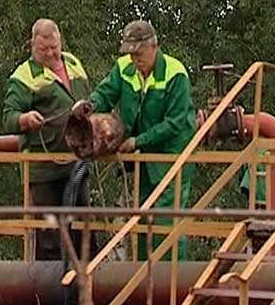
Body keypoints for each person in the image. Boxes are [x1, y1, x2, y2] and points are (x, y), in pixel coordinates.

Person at [74, 20, 196, 260]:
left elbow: (176, 122)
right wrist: (89, 106)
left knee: (165, 221)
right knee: (141, 220)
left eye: (138, 53)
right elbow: (105, 93)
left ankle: (172, 284)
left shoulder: (175, 73)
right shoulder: (124, 69)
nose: (134, 59)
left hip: (171, 158)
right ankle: (142, 282)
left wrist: (138, 141)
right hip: (142, 159)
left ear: (155, 47)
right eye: (130, 54)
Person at [3, 18, 91, 261]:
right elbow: (8, 117)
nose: (51, 53)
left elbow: (90, 97)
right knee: (50, 236)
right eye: (44, 49)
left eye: (55, 47)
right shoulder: (23, 77)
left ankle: (87, 287)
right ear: (33, 45)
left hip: (77, 161)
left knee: (84, 230)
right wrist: (25, 119)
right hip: (44, 171)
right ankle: (49, 295)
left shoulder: (73, 63)